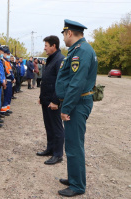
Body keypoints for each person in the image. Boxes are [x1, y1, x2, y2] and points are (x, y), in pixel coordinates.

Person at [56, 19, 98, 197]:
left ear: (69, 33)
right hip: (76, 103)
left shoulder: (81, 52)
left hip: (77, 104)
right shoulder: (79, 50)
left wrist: (65, 108)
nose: (64, 38)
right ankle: (74, 177)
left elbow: (76, 83)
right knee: (73, 144)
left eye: (64, 34)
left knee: (74, 146)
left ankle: (78, 186)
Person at [37, 35, 64, 166]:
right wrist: (41, 97)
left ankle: (58, 154)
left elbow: (60, 82)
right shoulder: (51, 59)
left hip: (54, 102)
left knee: (57, 127)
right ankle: (50, 149)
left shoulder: (60, 59)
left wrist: (56, 100)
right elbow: (47, 81)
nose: (45, 48)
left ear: (54, 46)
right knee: (49, 126)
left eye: (46, 46)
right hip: (46, 100)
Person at [1, 47, 15, 115]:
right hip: (7, 80)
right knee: (6, 96)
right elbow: (7, 72)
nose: (9, 55)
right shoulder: (4, 61)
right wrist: (12, 78)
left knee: (9, 95)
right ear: (4, 53)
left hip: (10, 80)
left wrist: (13, 78)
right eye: (8, 54)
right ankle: (3, 110)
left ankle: (7, 108)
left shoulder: (7, 61)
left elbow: (11, 71)